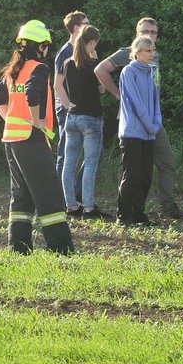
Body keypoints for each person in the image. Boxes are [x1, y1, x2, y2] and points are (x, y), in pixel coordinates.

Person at [0, 20, 74, 254]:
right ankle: (61, 249)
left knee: (22, 196)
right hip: (31, 139)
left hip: (12, 140)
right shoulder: (38, 67)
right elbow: (32, 94)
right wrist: (37, 121)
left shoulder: (13, 70)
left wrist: (11, 119)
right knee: (49, 193)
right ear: (42, 46)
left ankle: (19, 247)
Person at [95, 17, 183, 220]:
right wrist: (120, 95)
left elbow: (154, 93)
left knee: (164, 162)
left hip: (153, 121)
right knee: (130, 169)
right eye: (144, 31)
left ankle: (166, 208)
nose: (148, 35)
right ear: (137, 34)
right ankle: (127, 211)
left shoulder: (154, 56)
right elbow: (100, 69)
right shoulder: (126, 54)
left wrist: (155, 118)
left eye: (153, 32)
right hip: (133, 121)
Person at [60, 24, 110, 220]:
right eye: (95, 42)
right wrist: (96, 61)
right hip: (91, 118)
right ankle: (89, 207)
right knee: (90, 163)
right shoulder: (93, 65)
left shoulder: (67, 63)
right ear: (92, 42)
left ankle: (71, 206)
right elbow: (100, 88)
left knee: (69, 164)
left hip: (71, 117)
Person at [115, 36, 162, 226]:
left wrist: (157, 121)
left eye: (152, 50)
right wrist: (149, 124)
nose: (152, 54)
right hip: (132, 132)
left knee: (145, 176)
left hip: (149, 132)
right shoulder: (128, 72)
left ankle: (138, 213)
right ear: (137, 53)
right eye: (148, 51)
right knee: (132, 175)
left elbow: (155, 99)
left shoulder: (152, 71)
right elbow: (134, 101)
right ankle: (124, 215)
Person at [53, 10, 89, 201]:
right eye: (86, 23)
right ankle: (59, 197)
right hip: (66, 112)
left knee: (93, 154)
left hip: (84, 113)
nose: (90, 27)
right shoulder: (65, 52)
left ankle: (74, 193)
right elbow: (57, 85)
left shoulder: (85, 51)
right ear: (76, 28)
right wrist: (69, 106)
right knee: (65, 155)